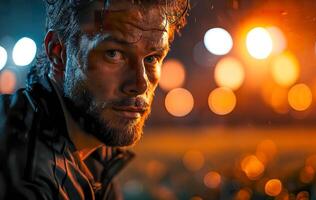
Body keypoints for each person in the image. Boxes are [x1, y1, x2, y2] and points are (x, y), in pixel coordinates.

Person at [0, 0, 189, 199]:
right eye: (113, 53)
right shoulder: (25, 172)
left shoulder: (93, 153)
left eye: (151, 58)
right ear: (58, 52)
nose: (140, 84)